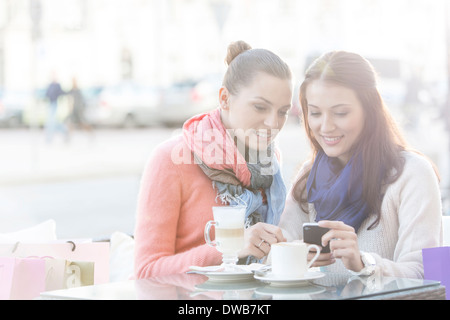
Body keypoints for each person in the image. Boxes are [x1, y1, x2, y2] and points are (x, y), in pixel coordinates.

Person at [134, 41, 293, 278]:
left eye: (283, 112)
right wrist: (228, 248)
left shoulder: (271, 161)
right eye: (260, 107)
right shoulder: (171, 159)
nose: (273, 124)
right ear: (225, 98)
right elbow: (146, 272)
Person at [279, 51, 442, 278]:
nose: (325, 127)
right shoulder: (308, 175)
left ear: (370, 110)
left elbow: (426, 274)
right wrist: (274, 250)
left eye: (341, 113)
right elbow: (281, 250)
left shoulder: (412, 174)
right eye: (315, 113)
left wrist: (364, 263)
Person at [44, 73, 68, 143]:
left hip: (54, 104)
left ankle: (50, 138)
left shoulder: (57, 85)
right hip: (50, 104)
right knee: (52, 122)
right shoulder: (50, 85)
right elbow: (47, 94)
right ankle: (63, 132)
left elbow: (61, 92)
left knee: (51, 122)